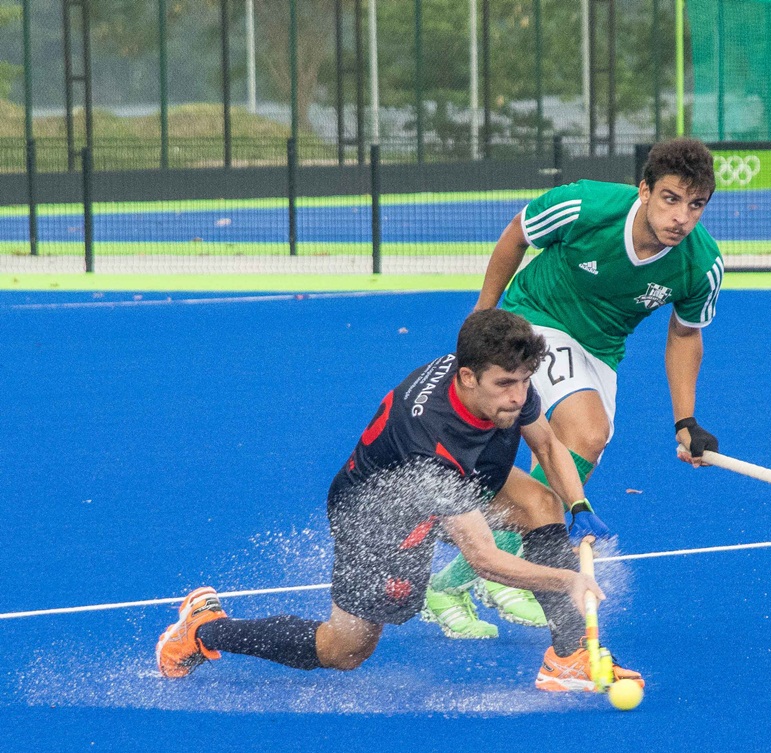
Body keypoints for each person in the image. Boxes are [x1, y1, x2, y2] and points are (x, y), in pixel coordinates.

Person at [156, 309, 643, 692]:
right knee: (345, 649)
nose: (518, 397)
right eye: (505, 385)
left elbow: (546, 444)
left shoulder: (502, 376)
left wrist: (579, 508)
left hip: (462, 474)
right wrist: (569, 578)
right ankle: (204, 630)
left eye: (523, 382)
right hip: (378, 514)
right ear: (467, 377)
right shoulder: (430, 440)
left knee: (542, 505)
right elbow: (485, 559)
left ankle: (568, 657)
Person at [419, 137, 724, 639]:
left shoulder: (701, 263)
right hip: (535, 318)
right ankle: (499, 567)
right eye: (671, 198)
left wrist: (685, 422)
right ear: (644, 190)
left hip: (601, 351)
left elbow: (685, 334)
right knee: (586, 432)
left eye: (696, 206)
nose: (682, 218)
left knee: (581, 454)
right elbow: (517, 234)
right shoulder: (585, 205)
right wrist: (485, 317)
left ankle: (459, 578)